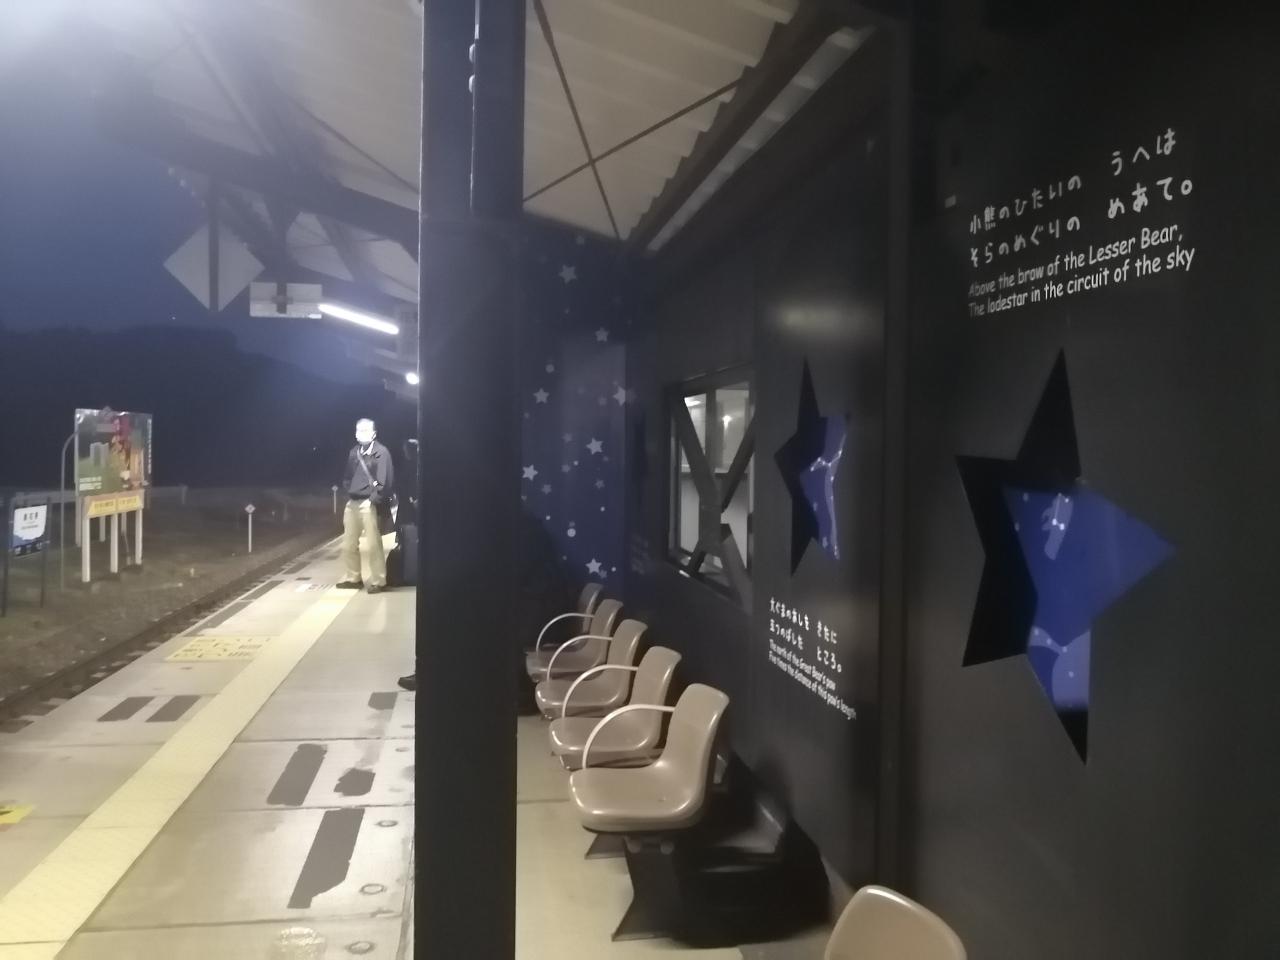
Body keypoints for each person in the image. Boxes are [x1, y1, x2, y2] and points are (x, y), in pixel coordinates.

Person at [338, 418, 394, 594]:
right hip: (352, 502)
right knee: (348, 543)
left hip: (369, 503)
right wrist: (349, 490)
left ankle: (379, 580)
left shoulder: (381, 452)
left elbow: (386, 481)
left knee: (373, 544)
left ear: (374, 433)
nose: (361, 433)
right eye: (358, 430)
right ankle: (353, 578)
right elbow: (347, 476)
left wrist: (373, 499)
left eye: (365, 430)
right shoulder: (354, 452)